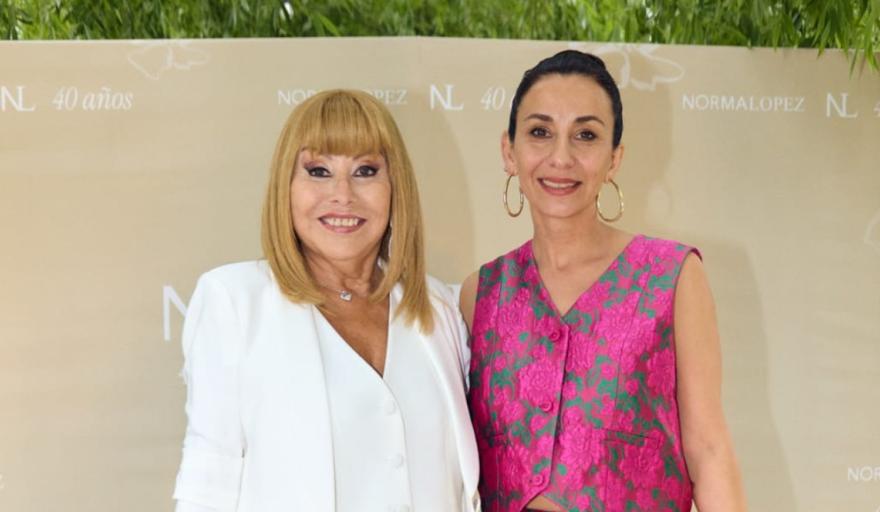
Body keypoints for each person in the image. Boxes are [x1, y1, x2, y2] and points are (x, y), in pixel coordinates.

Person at [460, 50, 746, 512]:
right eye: (540, 132)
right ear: (509, 152)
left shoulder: (671, 277)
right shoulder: (481, 294)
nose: (561, 157)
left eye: (585, 135)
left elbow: (709, 452)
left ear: (614, 159)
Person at [173, 90, 479, 512]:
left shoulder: (438, 307)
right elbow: (208, 484)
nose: (342, 194)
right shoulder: (234, 302)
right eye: (318, 171)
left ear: (396, 188)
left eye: (366, 171)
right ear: (286, 187)